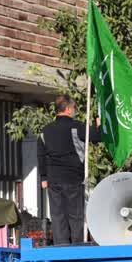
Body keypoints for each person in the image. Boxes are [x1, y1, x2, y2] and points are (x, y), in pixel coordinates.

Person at [37, 94, 103, 245]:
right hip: (73, 178)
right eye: (74, 108)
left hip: (53, 180)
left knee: (58, 215)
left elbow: (40, 154)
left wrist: (43, 178)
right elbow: (97, 137)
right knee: (75, 216)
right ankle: (77, 246)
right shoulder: (76, 127)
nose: (75, 111)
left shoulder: (45, 131)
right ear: (67, 109)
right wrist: (99, 125)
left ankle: (61, 247)